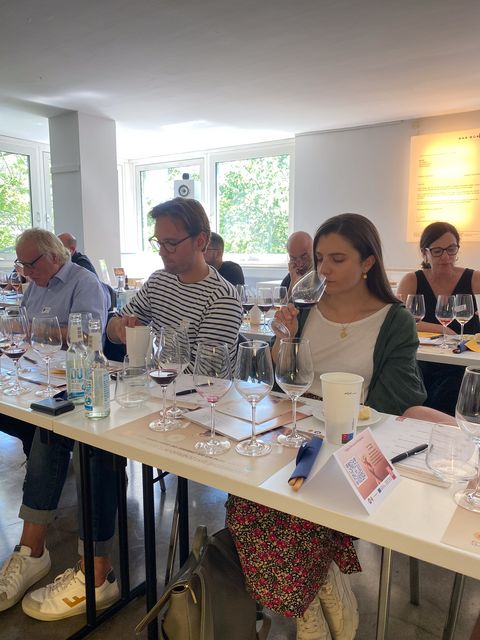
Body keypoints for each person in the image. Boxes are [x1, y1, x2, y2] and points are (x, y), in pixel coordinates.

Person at [226, 213, 426, 640]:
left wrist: (340, 418)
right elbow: (279, 382)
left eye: (337, 259)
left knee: (299, 506)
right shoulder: (304, 310)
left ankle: (309, 609)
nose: (324, 269)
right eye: (320, 259)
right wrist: (284, 340)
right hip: (294, 429)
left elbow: (398, 399)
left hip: (354, 440)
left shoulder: (394, 320)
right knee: (246, 501)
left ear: (368, 262)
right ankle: (320, 591)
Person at [0, 228, 118, 620]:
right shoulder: (35, 285)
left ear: (53, 256)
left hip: (81, 384)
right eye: (21, 264)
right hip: (41, 379)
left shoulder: (85, 284)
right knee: (42, 432)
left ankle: (74, 565)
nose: (25, 272)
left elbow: (88, 337)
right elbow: (26, 333)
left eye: (30, 263)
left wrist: (35, 332)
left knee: (58, 435)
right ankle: (32, 551)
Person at [107, 198, 242, 370]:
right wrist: (119, 327)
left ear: (200, 241)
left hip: (192, 387)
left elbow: (204, 375)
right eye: (159, 243)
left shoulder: (222, 298)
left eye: (171, 244)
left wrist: (152, 370)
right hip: (159, 382)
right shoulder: (158, 281)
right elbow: (111, 328)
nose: (162, 252)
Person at [397, 221, 480, 415]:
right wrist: (443, 329)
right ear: (424, 253)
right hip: (423, 360)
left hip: (465, 363)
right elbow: (399, 320)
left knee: (451, 388)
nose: (445, 257)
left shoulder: (475, 278)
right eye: (437, 251)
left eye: (451, 249)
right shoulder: (412, 280)